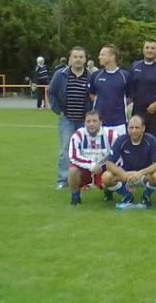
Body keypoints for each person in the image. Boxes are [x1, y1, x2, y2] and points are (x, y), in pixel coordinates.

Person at [48, 46, 91, 189]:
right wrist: (58, 110)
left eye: (81, 57)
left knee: (85, 150)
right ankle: (63, 180)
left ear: (85, 59)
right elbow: (51, 92)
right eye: (75, 57)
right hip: (66, 119)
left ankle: (84, 181)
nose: (78, 59)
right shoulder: (60, 74)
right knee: (65, 150)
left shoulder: (91, 76)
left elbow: (94, 96)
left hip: (85, 121)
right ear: (70, 59)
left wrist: (91, 115)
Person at [100, 114, 156, 207]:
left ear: (143, 128)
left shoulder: (151, 140)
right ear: (127, 128)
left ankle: (146, 195)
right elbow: (109, 163)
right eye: (131, 128)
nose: (134, 131)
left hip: (144, 174)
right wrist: (124, 175)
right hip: (126, 174)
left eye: (137, 128)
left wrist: (141, 173)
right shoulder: (121, 140)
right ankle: (126, 195)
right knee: (106, 177)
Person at [67, 110, 118, 205]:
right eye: (88, 121)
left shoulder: (111, 135)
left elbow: (118, 155)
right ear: (84, 122)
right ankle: (75, 198)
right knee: (72, 171)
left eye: (94, 121)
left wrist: (105, 167)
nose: (91, 124)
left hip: (104, 168)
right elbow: (73, 156)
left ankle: (108, 192)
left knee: (111, 174)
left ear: (101, 122)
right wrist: (91, 165)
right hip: (85, 169)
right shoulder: (78, 135)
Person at [129, 39, 156, 146]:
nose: (149, 50)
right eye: (147, 47)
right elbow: (130, 89)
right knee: (136, 140)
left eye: (153, 48)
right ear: (143, 50)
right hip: (138, 110)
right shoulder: (135, 66)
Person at [88, 45, 130, 136]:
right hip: (99, 122)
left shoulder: (125, 76)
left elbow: (129, 97)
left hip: (119, 123)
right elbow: (92, 94)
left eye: (102, 54)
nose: (99, 57)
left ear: (112, 56)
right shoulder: (96, 75)